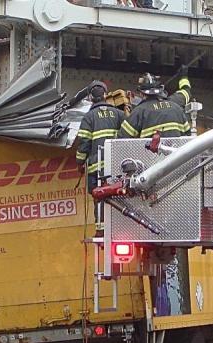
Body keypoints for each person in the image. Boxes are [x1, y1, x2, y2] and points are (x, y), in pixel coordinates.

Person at [75, 80, 124, 236]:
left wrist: (79, 162)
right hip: (117, 166)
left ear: (90, 98)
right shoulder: (119, 114)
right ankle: (119, 229)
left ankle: (101, 230)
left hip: (97, 168)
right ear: (105, 95)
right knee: (120, 195)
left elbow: (84, 143)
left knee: (99, 195)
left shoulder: (89, 117)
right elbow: (128, 137)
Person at [118, 66, 192, 139]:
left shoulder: (139, 112)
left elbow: (121, 138)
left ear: (141, 93)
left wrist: (126, 116)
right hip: (177, 150)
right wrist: (183, 76)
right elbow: (186, 91)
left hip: (151, 151)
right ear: (160, 89)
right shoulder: (176, 105)